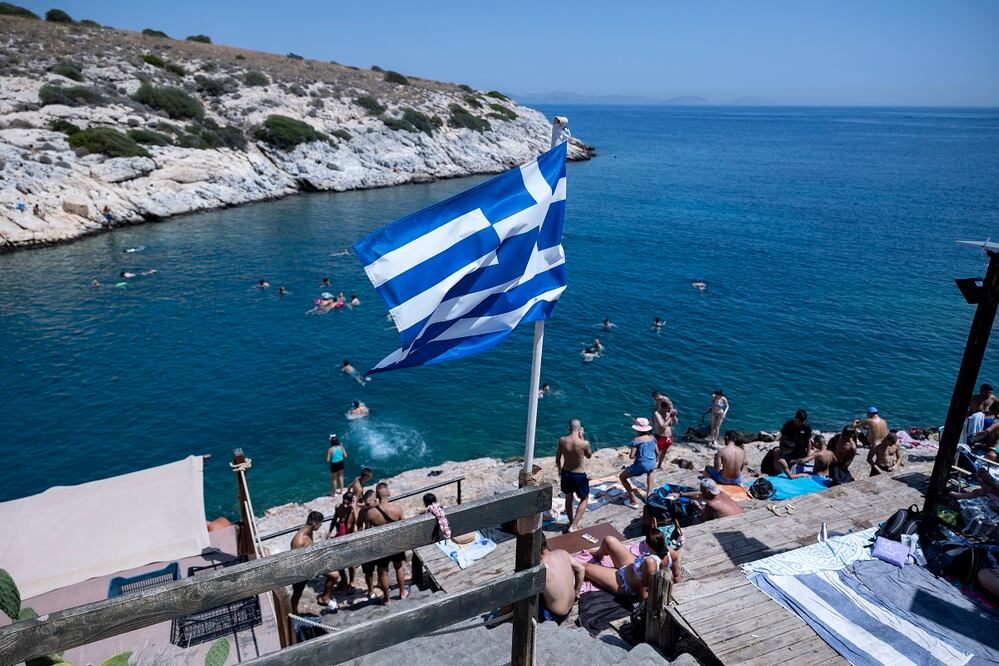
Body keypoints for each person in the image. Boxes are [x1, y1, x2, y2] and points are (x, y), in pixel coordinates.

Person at [583, 529, 683, 596]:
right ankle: (598, 554)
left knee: (585, 567)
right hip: (631, 566)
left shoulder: (650, 562)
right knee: (609, 540)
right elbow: (676, 573)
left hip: (624, 582)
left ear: (648, 545)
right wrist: (677, 578)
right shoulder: (670, 551)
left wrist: (641, 611)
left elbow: (645, 590)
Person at [363, 484, 408, 604]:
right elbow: (404, 526)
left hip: (381, 545)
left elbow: (367, 532)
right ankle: (402, 592)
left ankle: (387, 599)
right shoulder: (397, 509)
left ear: (377, 496)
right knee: (398, 567)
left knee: (383, 573)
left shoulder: (370, 513)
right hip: (396, 542)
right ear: (388, 493)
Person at [289, 511, 338, 613]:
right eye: (320, 524)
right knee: (297, 593)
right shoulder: (300, 540)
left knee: (333, 575)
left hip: (311, 564)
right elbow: (294, 559)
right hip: (301, 570)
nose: (320, 526)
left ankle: (324, 598)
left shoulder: (309, 530)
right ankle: (293, 613)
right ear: (315, 524)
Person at [538, 534, 586, 623]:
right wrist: (577, 591)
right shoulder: (562, 553)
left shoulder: (540, 569)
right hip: (570, 605)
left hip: (554, 614)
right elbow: (581, 568)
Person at [556, 419, 592, 531]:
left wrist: (559, 471)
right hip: (579, 475)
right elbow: (589, 455)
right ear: (580, 429)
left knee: (568, 498)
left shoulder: (562, 440)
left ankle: (571, 521)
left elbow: (557, 459)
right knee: (584, 498)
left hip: (566, 473)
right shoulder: (584, 443)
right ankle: (574, 525)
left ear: (569, 428)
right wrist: (582, 438)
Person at [619, 417, 657, 509]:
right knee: (650, 472)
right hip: (652, 462)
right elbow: (657, 452)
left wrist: (637, 454)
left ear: (637, 429)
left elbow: (631, 456)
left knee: (622, 477)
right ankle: (649, 494)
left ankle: (633, 500)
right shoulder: (652, 438)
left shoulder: (637, 440)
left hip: (641, 465)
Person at [677, 478, 743, 522]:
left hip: (733, 524)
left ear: (707, 491)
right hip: (741, 517)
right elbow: (699, 495)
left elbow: (702, 519)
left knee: (690, 520)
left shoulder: (712, 504)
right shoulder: (721, 493)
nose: (701, 492)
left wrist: (698, 507)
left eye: (702, 490)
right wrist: (681, 494)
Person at [653, 394, 678, 469]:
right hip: (660, 436)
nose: (670, 409)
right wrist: (670, 417)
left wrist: (674, 416)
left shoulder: (668, 413)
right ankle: (651, 466)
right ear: (664, 407)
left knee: (664, 452)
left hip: (668, 437)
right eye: (669, 408)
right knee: (656, 454)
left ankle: (659, 465)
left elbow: (676, 423)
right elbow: (662, 426)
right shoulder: (657, 414)